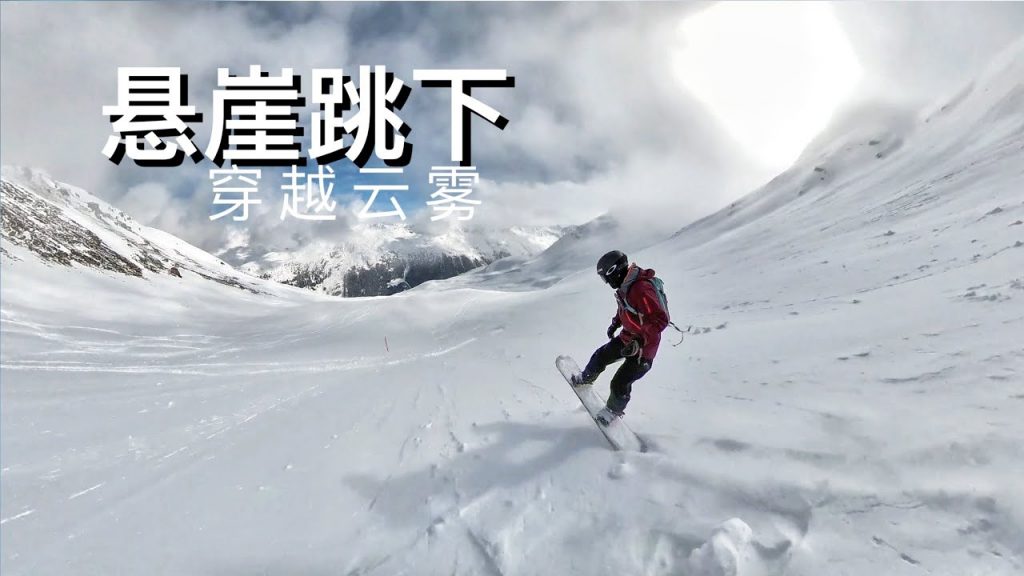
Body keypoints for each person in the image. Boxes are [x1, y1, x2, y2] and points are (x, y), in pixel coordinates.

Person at [572, 250, 670, 425]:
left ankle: (612, 411)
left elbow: (660, 320)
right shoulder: (626, 287)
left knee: (620, 382)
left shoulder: (641, 289)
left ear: (614, 271)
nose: (606, 282)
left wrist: (640, 340)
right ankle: (586, 378)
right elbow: (625, 309)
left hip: (643, 349)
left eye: (605, 277)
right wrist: (615, 323)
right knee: (600, 356)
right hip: (627, 338)